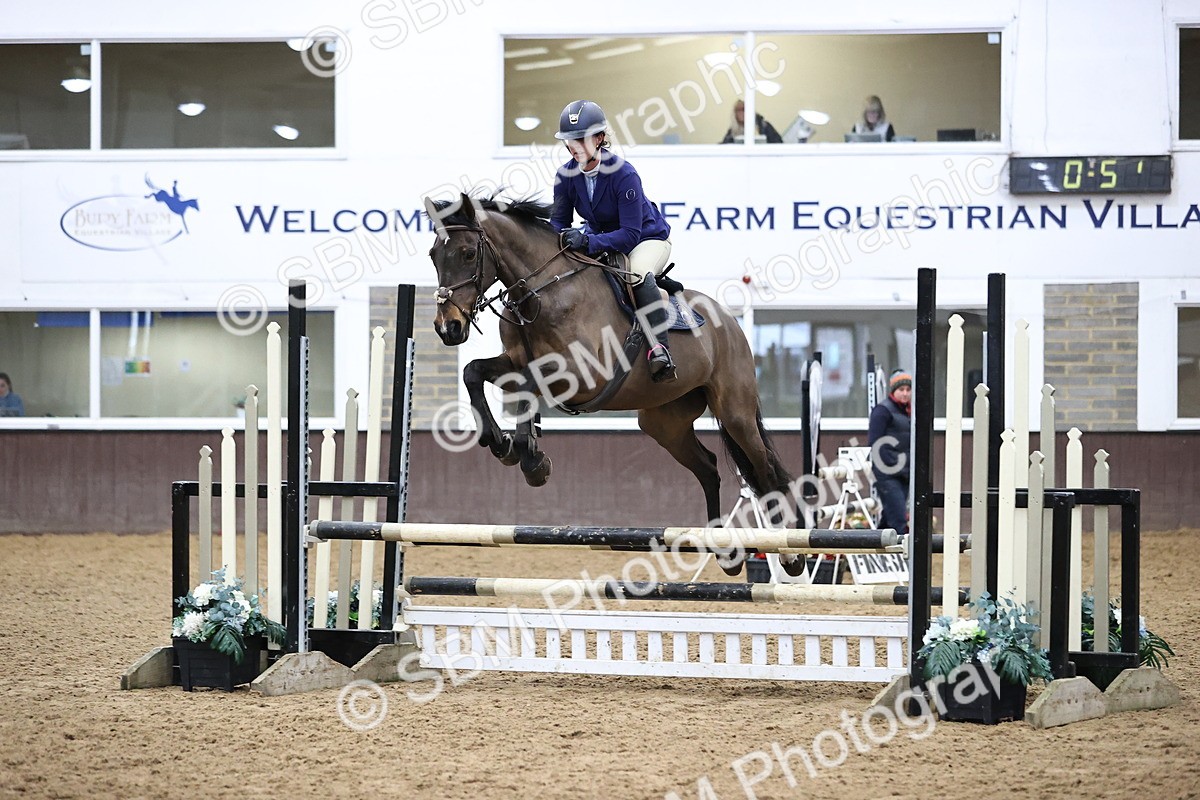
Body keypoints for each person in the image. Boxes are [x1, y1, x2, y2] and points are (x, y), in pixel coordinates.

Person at [550, 99, 677, 383]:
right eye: (569, 140)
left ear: (599, 138)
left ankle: (660, 349)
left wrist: (586, 242)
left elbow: (630, 234)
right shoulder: (565, 175)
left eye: (581, 139)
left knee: (636, 274)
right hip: (600, 238)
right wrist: (557, 242)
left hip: (646, 239)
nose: (575, 147)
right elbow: (558, 222)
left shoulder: (623, 173)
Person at [868, 369, 911, 535]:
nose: (905, 394)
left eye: (908, 390)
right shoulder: (882, 411)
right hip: (887, 474)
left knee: (889, 518)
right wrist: (891, 465)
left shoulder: (909, 413)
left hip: (904, 474)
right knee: (899, 520)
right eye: (901, 390)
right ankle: (906, 559)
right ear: (894, 391)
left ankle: (874, 553)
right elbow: (875, 442)